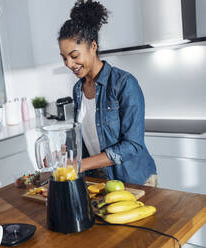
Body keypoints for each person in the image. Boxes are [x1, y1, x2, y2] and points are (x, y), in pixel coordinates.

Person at [58, 0, 157, 186]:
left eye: (74, 56)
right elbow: (85, 136)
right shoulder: (78, 89)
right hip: (101, 181)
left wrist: (81, 164)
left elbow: (133, 145)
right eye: (64, 58)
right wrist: (63, 152)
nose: (69, 64)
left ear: (93, 46)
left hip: (134, 181)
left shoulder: (123, 83)